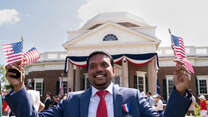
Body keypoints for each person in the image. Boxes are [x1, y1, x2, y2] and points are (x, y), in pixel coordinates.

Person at [5, 51, 192, 117]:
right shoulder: (71, 101)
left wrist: (179, 92)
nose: (99, 69)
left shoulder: (132, 97)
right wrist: (19, 88)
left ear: (113, 69)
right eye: (93, 66)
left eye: (104, 65)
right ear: (88, 72)